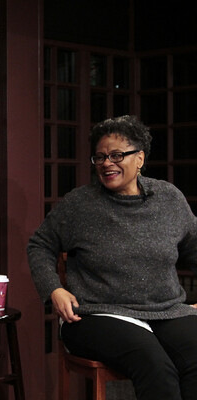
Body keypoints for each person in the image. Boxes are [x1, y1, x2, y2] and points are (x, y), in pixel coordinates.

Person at [27, 115, 197, 400]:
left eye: (117, 155)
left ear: (140, 158)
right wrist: (54, 289)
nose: (107, 163)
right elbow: (39, 245)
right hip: (97, 313)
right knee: (156, 366)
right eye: (100, 157)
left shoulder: (169, 199)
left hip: (164, 310)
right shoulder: (80, 204)